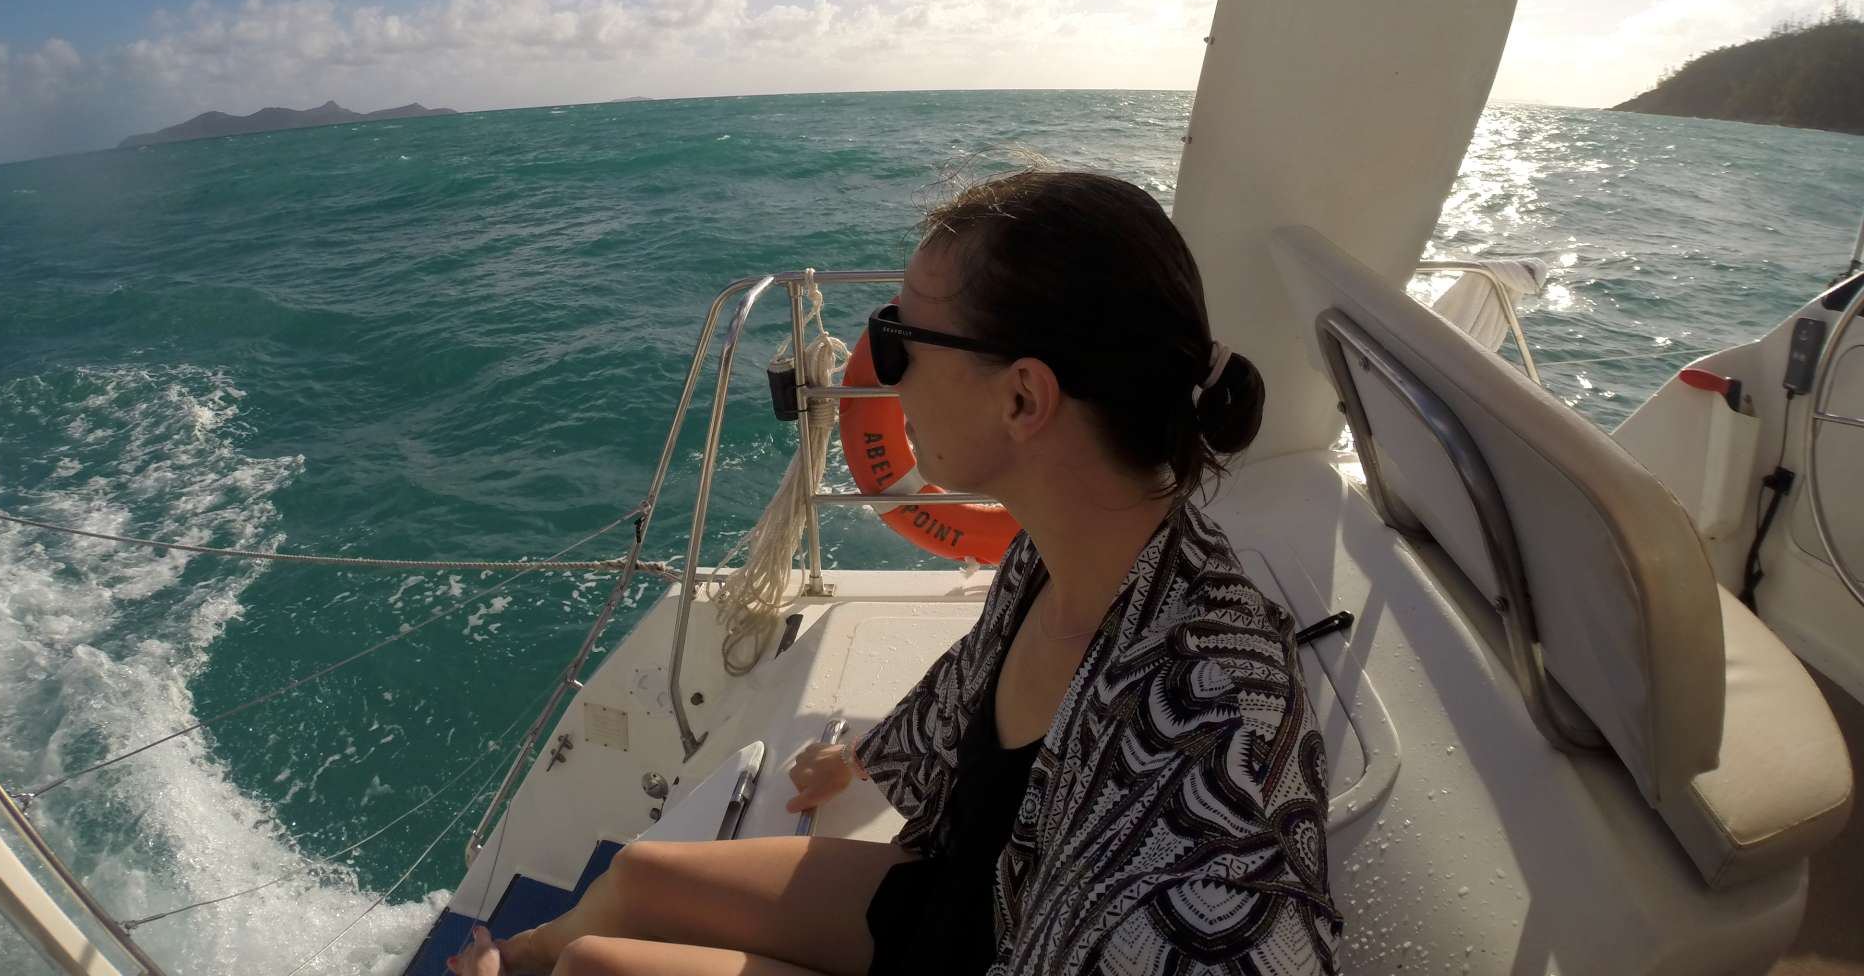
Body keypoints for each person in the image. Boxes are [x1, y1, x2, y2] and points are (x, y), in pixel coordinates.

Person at [451, 169, 1342, 976]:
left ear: (1023, 397)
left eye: (902, 336)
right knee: (638, 874)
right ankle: (513, 961)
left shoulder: (1210, 729)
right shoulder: (1057, 550)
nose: (885, 373)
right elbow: (969, 690)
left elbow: (1231, 932)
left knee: (597, 973)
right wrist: (864, 760)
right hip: (968, 897)